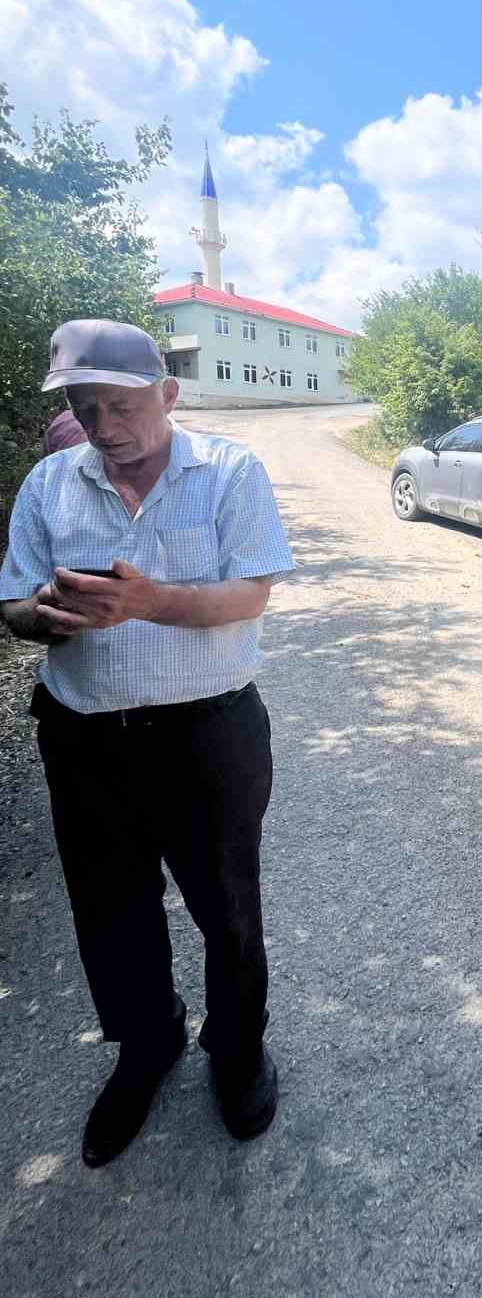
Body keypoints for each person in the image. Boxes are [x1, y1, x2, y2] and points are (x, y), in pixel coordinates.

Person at [0, 319, 295, 1167]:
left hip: (208, 736)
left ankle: (237, 1054)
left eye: (122, 403)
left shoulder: (230, 473)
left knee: (228, 911)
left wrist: (147, 603)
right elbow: (12, 602)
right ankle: (148, 1044)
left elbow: (249, 594)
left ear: (168, 394)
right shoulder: (50, 484)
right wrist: (41, 616)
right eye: (85, 407)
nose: (104, 424)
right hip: (84, 737)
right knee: (109, 911)